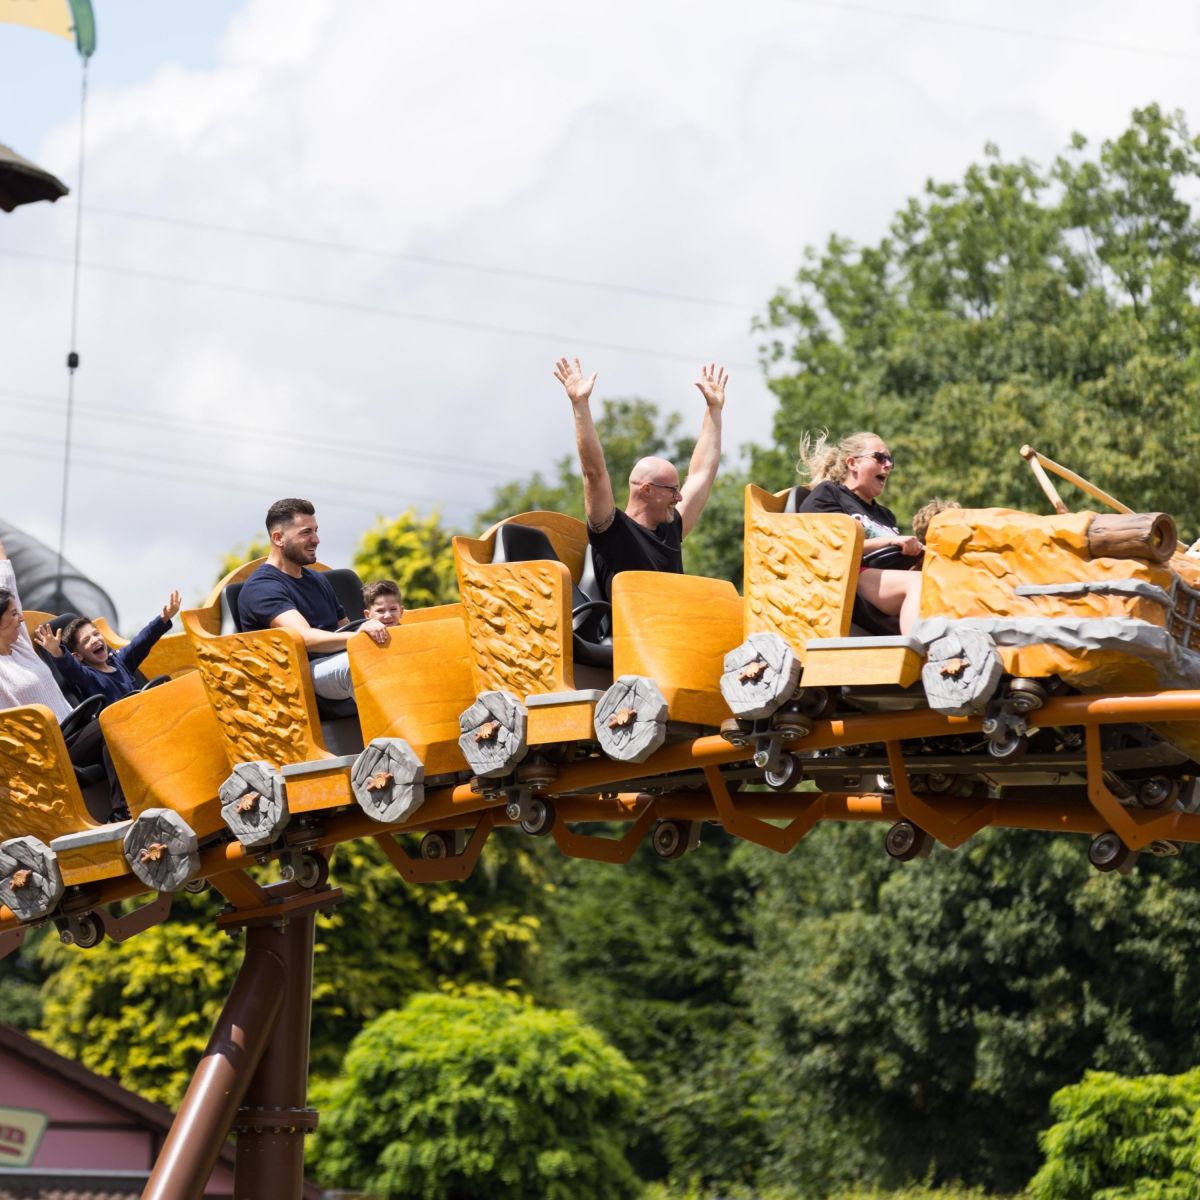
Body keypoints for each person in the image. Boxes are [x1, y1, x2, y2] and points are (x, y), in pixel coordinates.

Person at [554, 356, 727, 600]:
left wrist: (714, 411)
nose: (679, 497)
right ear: (646, 490)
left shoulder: (670, 529)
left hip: (678, 629)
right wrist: (580, 404)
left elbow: (702, 475)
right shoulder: (613, 530)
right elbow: (593, 473)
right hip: (632, 635)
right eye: (672, 490)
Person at [0, 541, 127, 820]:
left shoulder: (20, 643)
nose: (21, 618)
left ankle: (137, 801)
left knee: (124, 714)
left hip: (74, 729)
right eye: (13, 615)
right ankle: (122, 811)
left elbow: (6, 577)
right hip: (49, 748)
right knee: (112, 722)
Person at [237, 498, 389, 701]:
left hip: (332, 661)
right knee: (361, 664)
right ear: (278, 538)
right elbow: (303, 638)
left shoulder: (318, 580)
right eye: (306, 532)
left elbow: (345, 627)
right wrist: (360, 637)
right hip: (298, 674)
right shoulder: (262, 587)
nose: (316, 539)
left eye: (315, 530)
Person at [797, 430, 923, 634]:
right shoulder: (829, 494)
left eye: (890, 459)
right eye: (880, 457)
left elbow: (889, 560)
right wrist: (891, 542)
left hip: (879, 579)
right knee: (919, 583)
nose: (888, 465)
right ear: (852, 463)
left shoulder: (885, 515)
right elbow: (827, 548)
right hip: (846, 578)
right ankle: (919, 654)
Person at [34, 591, 181, 706]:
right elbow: (71, 668)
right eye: (86, 640)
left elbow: (141, 642)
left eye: (96, 634)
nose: (94, 640)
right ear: (78, 656)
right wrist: (56, 651)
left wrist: (163, 618)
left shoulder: (118, 661)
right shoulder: (88, 677)